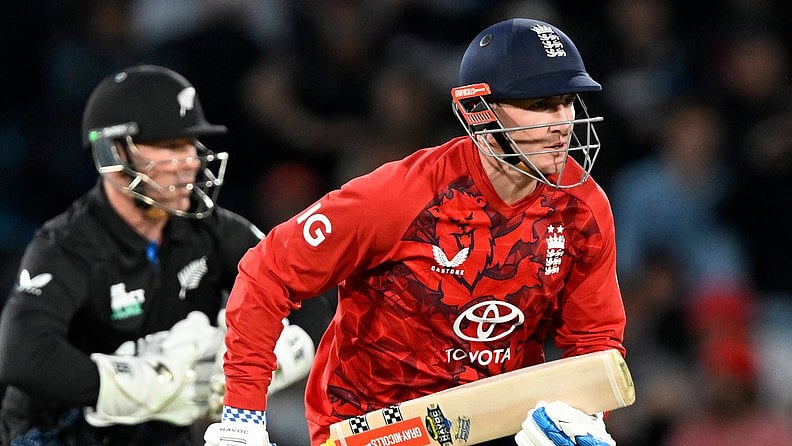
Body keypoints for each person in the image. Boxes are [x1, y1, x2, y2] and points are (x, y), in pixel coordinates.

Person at [205, 18, 626, 446]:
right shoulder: (401, 197)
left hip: (488, 427)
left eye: (568, 102)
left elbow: (594, 338)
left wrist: (585, 413)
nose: (562, 123)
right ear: (480, 111)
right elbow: (268, 271)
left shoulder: (582, 210)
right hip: (369, 428)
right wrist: (243, 416)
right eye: (540, 105)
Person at [0, 65, 313, 445]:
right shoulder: (66, 246)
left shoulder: (213, 231)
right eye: (170, 146)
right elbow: (21, 356)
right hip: (60, 435)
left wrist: (273, 358)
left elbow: (314, 292)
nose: (192, 161)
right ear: (113, 151)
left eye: (191, 145)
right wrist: (148, 386)